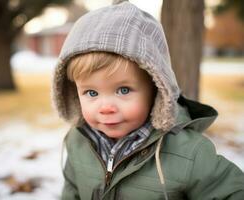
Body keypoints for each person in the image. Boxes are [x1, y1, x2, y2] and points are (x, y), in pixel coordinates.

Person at [52, 0, 244, 199]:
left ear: (156, 89)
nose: (106, 107)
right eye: (92, 93)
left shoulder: (188, 152)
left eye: (123, 90)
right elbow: (71, 192)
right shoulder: (78, 141)